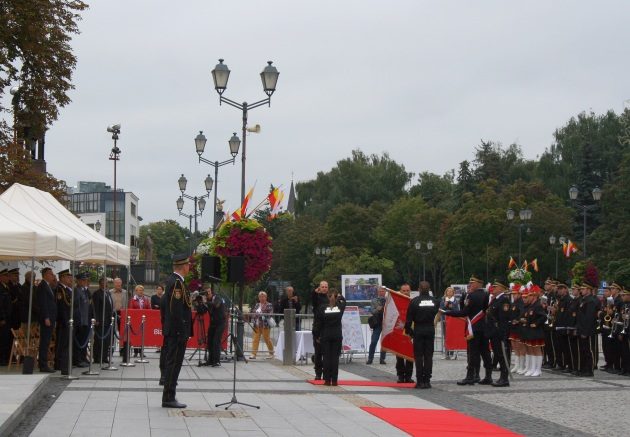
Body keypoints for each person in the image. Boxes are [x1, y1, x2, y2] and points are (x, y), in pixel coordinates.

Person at [444, 275, 492, 386]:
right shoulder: (486, 295)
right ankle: (488, 376)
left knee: (473, 353)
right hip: (483, 327)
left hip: (473, 328)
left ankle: (470, 376)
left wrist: (448, 312)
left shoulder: (471, 296)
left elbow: (464, 312)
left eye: (472, 283)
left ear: (479, 284)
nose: (470, 285)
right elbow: (485, 310)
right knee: (485, 352)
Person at [161, 254, 192, 409]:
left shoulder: (175, 281)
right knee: (174, 364)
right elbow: (176, 310)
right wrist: (181, 331)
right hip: (177, 331)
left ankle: (169, 395)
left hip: (174, 330)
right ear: (183, 266)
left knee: (173, 363)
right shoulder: (177, 283)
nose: (189, 267)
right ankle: (168, 397)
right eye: (188, 265)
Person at [405, 281, 439, 388]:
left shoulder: (414, 301)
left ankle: (419, 381)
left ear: (419, 289)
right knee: (428, 356)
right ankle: (427, 380)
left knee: (418, 356)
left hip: (418, 329)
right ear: (429, 289)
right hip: (430, 328)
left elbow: (408, 320)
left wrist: (409, 332)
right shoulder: (435, 301)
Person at [484, 280, 513, 387]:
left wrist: (502, 334)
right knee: (498, 354)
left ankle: (504, 378)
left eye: (495, 287)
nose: (493, 288)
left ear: (501, 288)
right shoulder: (495, 300)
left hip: (499, 333)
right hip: (494, 333)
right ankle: (502, 377)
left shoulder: (504, 300)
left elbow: (504, 319)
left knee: (502, 355)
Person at [319, 288, 346, 386]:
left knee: (326, 358)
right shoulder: (340, 307)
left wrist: (318, 335)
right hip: (337, 335)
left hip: (326, 334)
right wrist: (339, 297)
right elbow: (344, 301)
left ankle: (327, 380)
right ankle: (334, 380)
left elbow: (319, 323)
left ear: (327, 296)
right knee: (335, 358)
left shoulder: (322, 308)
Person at [575, 282, 598, 377]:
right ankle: (584, 369)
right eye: (581, 289)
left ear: (588, 290)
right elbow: (580, 317)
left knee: (589, 351)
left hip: (588, 330)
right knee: (583, 350)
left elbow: (589, 318)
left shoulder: (591, 301)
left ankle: (590, 370)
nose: (581, 290)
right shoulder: (583, 300)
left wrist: (585, 331)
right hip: (581, 329)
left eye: (583, 289)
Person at [37, 268, 57, 372]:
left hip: (51, 317)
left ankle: (43, 363)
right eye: (51, 274)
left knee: (47, 341)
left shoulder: (48, 286)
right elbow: (43, 303)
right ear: (45, 275)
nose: (53, 276)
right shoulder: (42, 286)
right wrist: (46, 317)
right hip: (47, 318)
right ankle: (43, 365)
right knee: (44, 342)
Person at [55, 269, 73, 375]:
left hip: (68, 320)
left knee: (66, 343)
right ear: (62, 278)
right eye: (67, 277)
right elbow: (62, 307)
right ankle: (59, 363)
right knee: (62, 344)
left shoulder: (67, 289)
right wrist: (66, 320)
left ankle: (64, 363)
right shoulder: (60, 290)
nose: (69, 279)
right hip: (63, 321)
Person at [395, 283, 414, 383]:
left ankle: (408, 376)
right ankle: (400, 375)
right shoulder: (397, 303)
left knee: (410, 355)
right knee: (400, 356)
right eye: (404, 291)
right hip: (399, 331)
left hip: (410, 332)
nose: (406, 292)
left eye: (408, 290)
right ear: (400, 291)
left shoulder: (413, 302)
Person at [92, 278, 113, 364]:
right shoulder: (97, 294)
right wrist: (96, 319)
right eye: (104, 283)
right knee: (99, 340)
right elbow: (95, 308)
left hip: (108, 320)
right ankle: (97, 357)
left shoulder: (108, 293)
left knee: (106, 341)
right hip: (100, 321)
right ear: (100, 284)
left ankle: (104, 357)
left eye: (107, 283)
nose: (106, 284)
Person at [311, 281, 330, 379]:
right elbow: (313, 299)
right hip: (318, 328)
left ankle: (326, 373)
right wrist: (315, 292)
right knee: (318, 353)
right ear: (319, 288)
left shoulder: (330, 298)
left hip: (327, 328)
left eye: (326, 287)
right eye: (322, 287)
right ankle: (318, 373)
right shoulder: (317, 298)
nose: (324, 288)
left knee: (327, 353)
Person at [249, 291, 275, 359]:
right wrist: (255, 315)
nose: (262, 298)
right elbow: (254, 312)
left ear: (266, 297)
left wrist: (262, 315)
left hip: (265, 325)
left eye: (263, 296)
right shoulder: (257, 305)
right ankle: (253, 354)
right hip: (257, 325)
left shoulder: (269, 304)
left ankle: (271, 353)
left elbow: (270, 314)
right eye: (260, 297)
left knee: (267, 339)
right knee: (255, 339)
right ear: (259, 298)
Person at [73, 272, 91, 368]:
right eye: (83, 280)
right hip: (80, 320)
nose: (85, 282)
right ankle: (78, 359)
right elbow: (77, 306)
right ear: (78, 281)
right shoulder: (76, 290)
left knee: (84, 341)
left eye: (86, 280)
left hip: (86, 320)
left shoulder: (84, 291)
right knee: (79, 341)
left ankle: (83, 358)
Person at [367, 286, 387, 365]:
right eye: (380, 291)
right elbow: (372, 311)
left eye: (383, 291)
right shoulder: (374, 300)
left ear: (385, 292)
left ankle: (382, 358)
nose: (382, 292)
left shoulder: (388, 300)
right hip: (377, 323)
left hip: (386, 323)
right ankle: (370, 358)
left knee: (384, 342)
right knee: (374, 341)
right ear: (378, 292)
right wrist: (377, 309)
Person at [206, 286, 225, 367]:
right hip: (213, 323)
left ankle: (217, 361)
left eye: (208, 292)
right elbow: (201, 311)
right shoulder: (207, 300)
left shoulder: (217, 297)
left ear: (212, 292)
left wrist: (205, 302)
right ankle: (210, 360)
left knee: (216, 341)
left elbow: (216, 305)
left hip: (220, 323)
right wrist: (198, 303)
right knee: (209, 341)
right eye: (205, 293)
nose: (207, 294)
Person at [130, 285, 150, 357]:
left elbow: (149, 309)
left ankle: (141, 351)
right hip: (136, 320)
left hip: (143, 320)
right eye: (139, 290)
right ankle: (135, 352)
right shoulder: (133, 299)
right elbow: (131, 309)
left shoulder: (146, 299)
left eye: (142, 290)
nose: (141, 292)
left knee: (142, 335)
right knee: (136, 335)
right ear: (136, 291)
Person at [110, 277, 128, 360]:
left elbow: (127, 303)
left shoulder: (125, 292)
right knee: (112, 332)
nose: (118, 284)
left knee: (123, 332)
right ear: (114, 284)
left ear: (121, 283)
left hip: (123, 313)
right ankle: (111, 350)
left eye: (119, 283)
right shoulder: (109, 292)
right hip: (113, 313)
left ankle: (122, 350)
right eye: (116, 283)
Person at [439, 287, 459, 360]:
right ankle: (446, 353)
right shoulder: (443, 300)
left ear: (453, 293)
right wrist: (445, 305)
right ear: (446, 292)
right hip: (444, 321)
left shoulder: (455, 301)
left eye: (451, 291)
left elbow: (457, 310)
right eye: (448, 291)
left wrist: (452, 307)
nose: (450, 292)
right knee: (446, 337)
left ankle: (452, 353)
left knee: (452, 336)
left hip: (453, 321)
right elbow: (441, 309)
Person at [0, 269, 12, 366]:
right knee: (3, 339)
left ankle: (6, 358)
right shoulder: (1, 288)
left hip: (8, 318)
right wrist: (2, 318)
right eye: (6, 276)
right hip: (3, 318)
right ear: (1, 277)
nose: (8, 278)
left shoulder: (6, 287)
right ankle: (2, 359)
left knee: (7, 338)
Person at [151, 285, 164, 353]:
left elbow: (165, 306)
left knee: (162, 331)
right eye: (158, 289)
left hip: (163, 316)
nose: (159, 290)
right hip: (156, 316)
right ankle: (158, 347)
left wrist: (158, 306)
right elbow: (153, 306)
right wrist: (159, 307)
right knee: (157, 330)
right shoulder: (153, 297)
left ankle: (163, 346)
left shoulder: (165, 297)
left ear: (162, 290)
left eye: (160, 289)